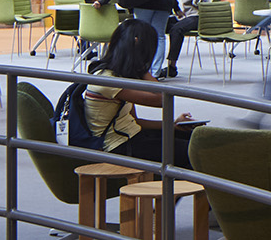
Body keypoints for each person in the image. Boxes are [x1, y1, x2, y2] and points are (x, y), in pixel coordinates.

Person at [83, 19, 196, 167]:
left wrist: (173, 125)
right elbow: (163, 99)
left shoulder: (118, 76)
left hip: (130, 136)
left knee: (197, 137)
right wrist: (140, 67)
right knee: (195, 151)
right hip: (117, 146)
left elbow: (134, 122)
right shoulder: (107, 80)